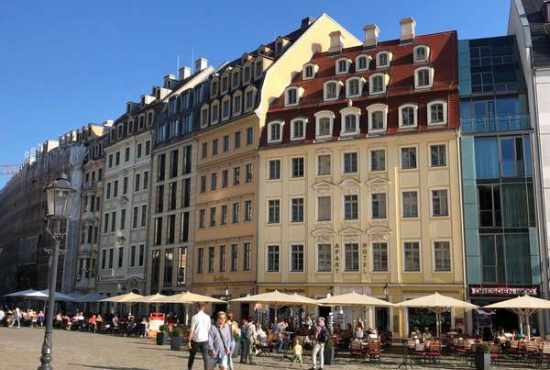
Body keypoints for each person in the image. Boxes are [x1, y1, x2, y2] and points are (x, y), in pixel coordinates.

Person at [187, 302, 211, 370]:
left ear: (197, 307)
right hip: (205, 339)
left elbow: (192, 330)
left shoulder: (194, 317)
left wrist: (189, 341)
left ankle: (190, 368)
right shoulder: (208, 317)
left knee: (192, 355)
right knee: (205, 356)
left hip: (196, 339)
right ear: (204, 308)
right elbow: (209, 329)